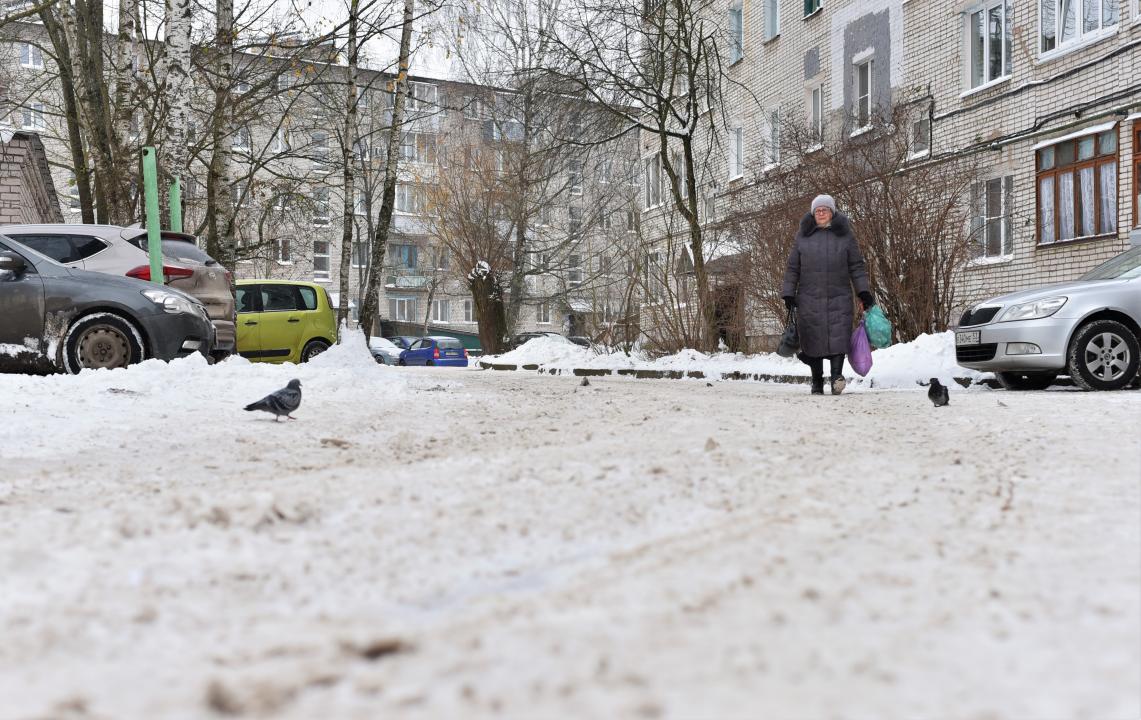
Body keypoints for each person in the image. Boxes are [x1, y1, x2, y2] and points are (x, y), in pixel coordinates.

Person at [781, 194, 875, 395]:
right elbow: (792, 268)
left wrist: (863, 292)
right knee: (812, 339)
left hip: (839, 296)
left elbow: (857, 266)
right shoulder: (802, 237)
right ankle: (816, 381)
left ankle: (836, 379)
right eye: (817, 210)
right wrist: (788, 293)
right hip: (808, 297)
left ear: (832, 212)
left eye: (825, 209)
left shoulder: (846, 236)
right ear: (813, 213)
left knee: (839, 337)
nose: (821, 213)